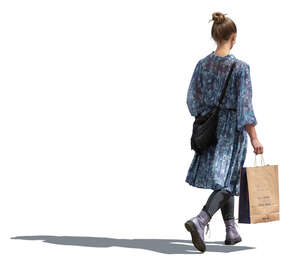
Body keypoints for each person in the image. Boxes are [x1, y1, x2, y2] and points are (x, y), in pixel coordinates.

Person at [184, 12, 264, 253]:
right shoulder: (240, 68)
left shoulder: (202, 65)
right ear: (234, 37)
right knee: (229, 180)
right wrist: (254, 137)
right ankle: (201, 219)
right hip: (231, 131)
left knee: (225, 179)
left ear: (214, 36)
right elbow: (244, 106)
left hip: (209, 129)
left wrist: (207, 114)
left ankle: (231, 230)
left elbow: (192, 101)